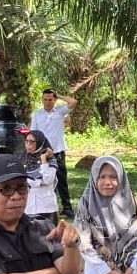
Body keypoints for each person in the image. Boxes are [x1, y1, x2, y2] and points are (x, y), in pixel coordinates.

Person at [29, 89, 78, 218]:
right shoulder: (37, 115)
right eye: (45, 99)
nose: (47, 102)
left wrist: (60, 95)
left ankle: (67, 208)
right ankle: (48, 208)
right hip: (43, 153)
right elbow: (33, 133)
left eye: (50, 99)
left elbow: (73, 102)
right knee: (46, 180)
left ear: (54, 100)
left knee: (62, 180)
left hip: (58, 151)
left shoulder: (61, 112)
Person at [21, 129, 58, 224]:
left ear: (40, 142)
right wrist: (39, 182)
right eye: (26, 141)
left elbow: (48, 180)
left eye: (32, 141)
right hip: (28, 206)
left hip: (46, 207)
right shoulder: (23, 158)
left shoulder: (50, 159)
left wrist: (43, 159)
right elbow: (21, 180)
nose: (28, 144)